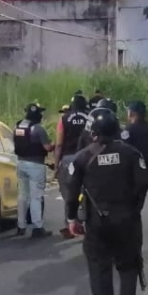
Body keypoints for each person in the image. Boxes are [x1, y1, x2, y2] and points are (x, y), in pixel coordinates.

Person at [66, 107, 148, 295]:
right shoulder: (132, 154)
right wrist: (134, 205)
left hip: (97, 223)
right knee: (128, 268)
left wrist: (72, 218)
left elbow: (72, 191)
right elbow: (144, 181)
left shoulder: (82, 157)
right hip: (127, 221)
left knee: (99, 269)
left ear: (93, 132)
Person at [14, 103, 54, 237]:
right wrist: (55, 145)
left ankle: (21, 226)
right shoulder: (38, 129)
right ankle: (37, 227)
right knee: (36, 196)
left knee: (22, 195)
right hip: (36, 165)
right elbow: (47, 148)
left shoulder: (18, 126)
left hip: (20, 162)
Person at [55, 94, 90, 238]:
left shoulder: (64, 119)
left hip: (68, 159)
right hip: (86, 158)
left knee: (69, 191)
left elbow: (58, 143)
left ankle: (69, 223)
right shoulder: (90, 117)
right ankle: (85, 222)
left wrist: (57, 165)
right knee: (87, 190)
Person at [121, 101, 148, 210]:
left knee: (127, 206)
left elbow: (123, 150)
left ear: (133, 113)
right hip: (146, 174)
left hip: (130, 175)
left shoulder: (128, 131)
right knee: (138, 206)